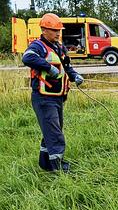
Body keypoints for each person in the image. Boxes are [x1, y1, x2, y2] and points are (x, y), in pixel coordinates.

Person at [22, 13, 84, 172]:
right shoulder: (38, 46)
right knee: (55, 134)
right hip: (43, 99)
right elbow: (27, 58)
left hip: (57, 98)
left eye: (59, 30)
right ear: (44, 30)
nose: (58, 33)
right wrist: (49, 68)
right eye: (54, 30)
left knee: (51, 131)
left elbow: (67, 67)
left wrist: (75, 75)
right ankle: (58, 169)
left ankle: (45, 164)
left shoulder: (60, 47)